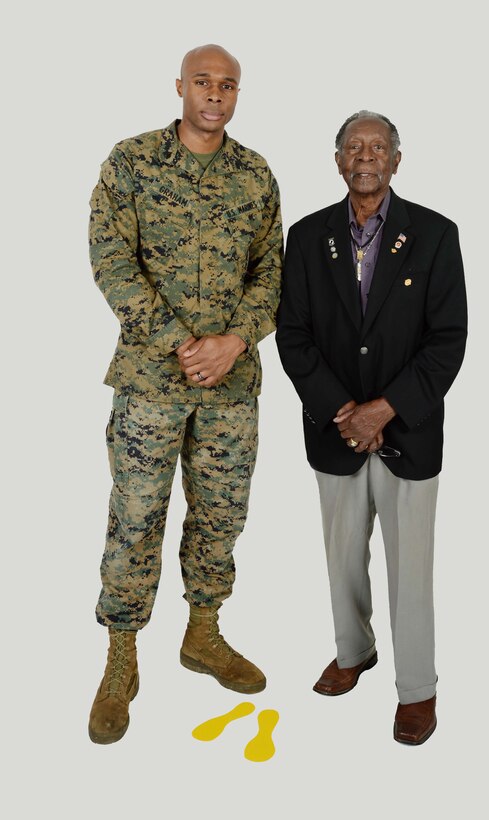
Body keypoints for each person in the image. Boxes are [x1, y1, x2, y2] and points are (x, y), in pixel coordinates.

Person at [88, 44, 283, 744]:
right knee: (137, 516)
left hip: (232, 389)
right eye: (203, 82)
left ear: (237, 94)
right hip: (149, 382)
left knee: (221, 517)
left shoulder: (255, 175)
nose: (215, 95)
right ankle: (121, 658)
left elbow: (273, 274)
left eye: (228, 85)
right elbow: (110, 258)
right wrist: (178, 339)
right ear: (180, 87)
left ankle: (203, 634)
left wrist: (234, 341)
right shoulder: (133, 162)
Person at [276, 111, 467, 745]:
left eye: (377, 147)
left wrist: (382, 411)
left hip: (406, 433)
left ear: (396, 160)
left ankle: (417, 689)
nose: (366, 156)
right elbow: (295, 338)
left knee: (410, 568)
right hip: (334, 432)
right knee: (342, 560)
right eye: (354, 147)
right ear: (337, 161)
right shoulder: (306, 239)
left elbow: (447, 342)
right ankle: (353, 651)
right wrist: (344, 413)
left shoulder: (437, 235)